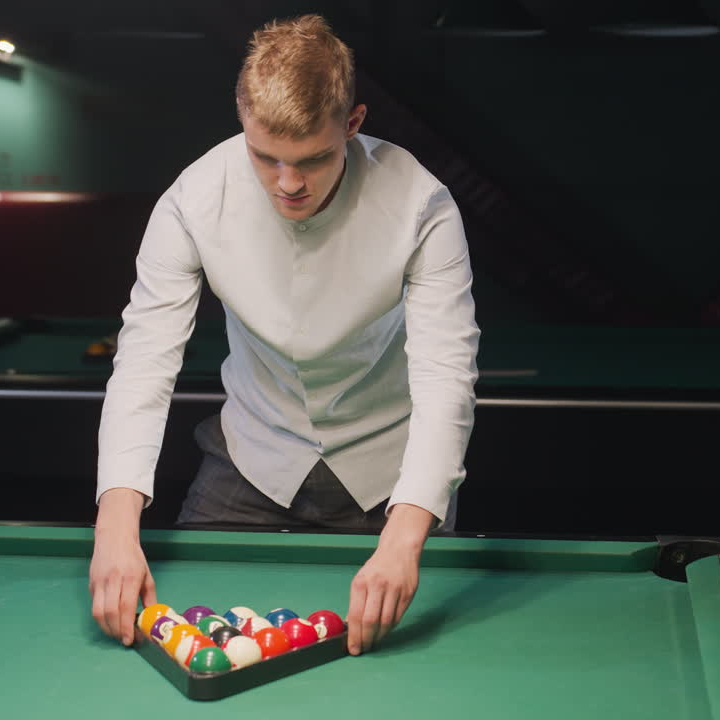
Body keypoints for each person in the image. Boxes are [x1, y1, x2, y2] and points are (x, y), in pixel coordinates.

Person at [89, 14, 479, 657]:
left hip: (390, 474)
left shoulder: (422, 205)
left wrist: (407, 537)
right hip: (250, 460)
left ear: (353, 124)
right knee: (174, 639)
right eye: (265, 157)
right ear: (241, 117)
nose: (289, 183)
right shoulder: (192, 200)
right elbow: (143, 365)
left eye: (313, 159)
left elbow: (445, 378)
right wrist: (114, 526)